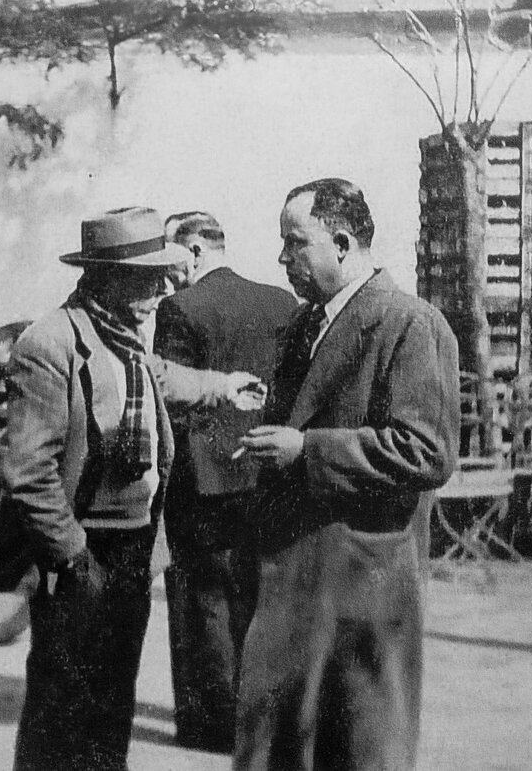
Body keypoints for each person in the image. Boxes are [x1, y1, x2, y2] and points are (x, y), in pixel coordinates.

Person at [234, 179, 460, 770]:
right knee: (281, 749)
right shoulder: (307, 325)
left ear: (342, 241)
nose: (284, 259)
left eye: (295, 243)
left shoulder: (410, 324)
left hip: (364, 582)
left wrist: (305, 449)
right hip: (297, 575)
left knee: (358, 750)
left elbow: (427, 451)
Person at [0, 206, 185, 771]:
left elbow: (164, 389)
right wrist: (74, 560)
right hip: (79, 549)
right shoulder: (50, 343)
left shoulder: (128, 341)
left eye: (165, 276)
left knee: (110, 710)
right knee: (61, 712)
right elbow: (28, 470)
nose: (162, 290)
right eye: (149, 278)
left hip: (133, 546)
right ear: (107, 276)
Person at [154, 211, 297, 752]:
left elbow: (172, 396)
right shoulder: (280, 302)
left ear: (193, 251)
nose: (167, 277)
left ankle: (210, 724)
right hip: (266, 471)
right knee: (258, 599)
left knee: (201, 602)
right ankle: (263, 718)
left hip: (205, 480)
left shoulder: (180, 308)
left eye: (172, 261)